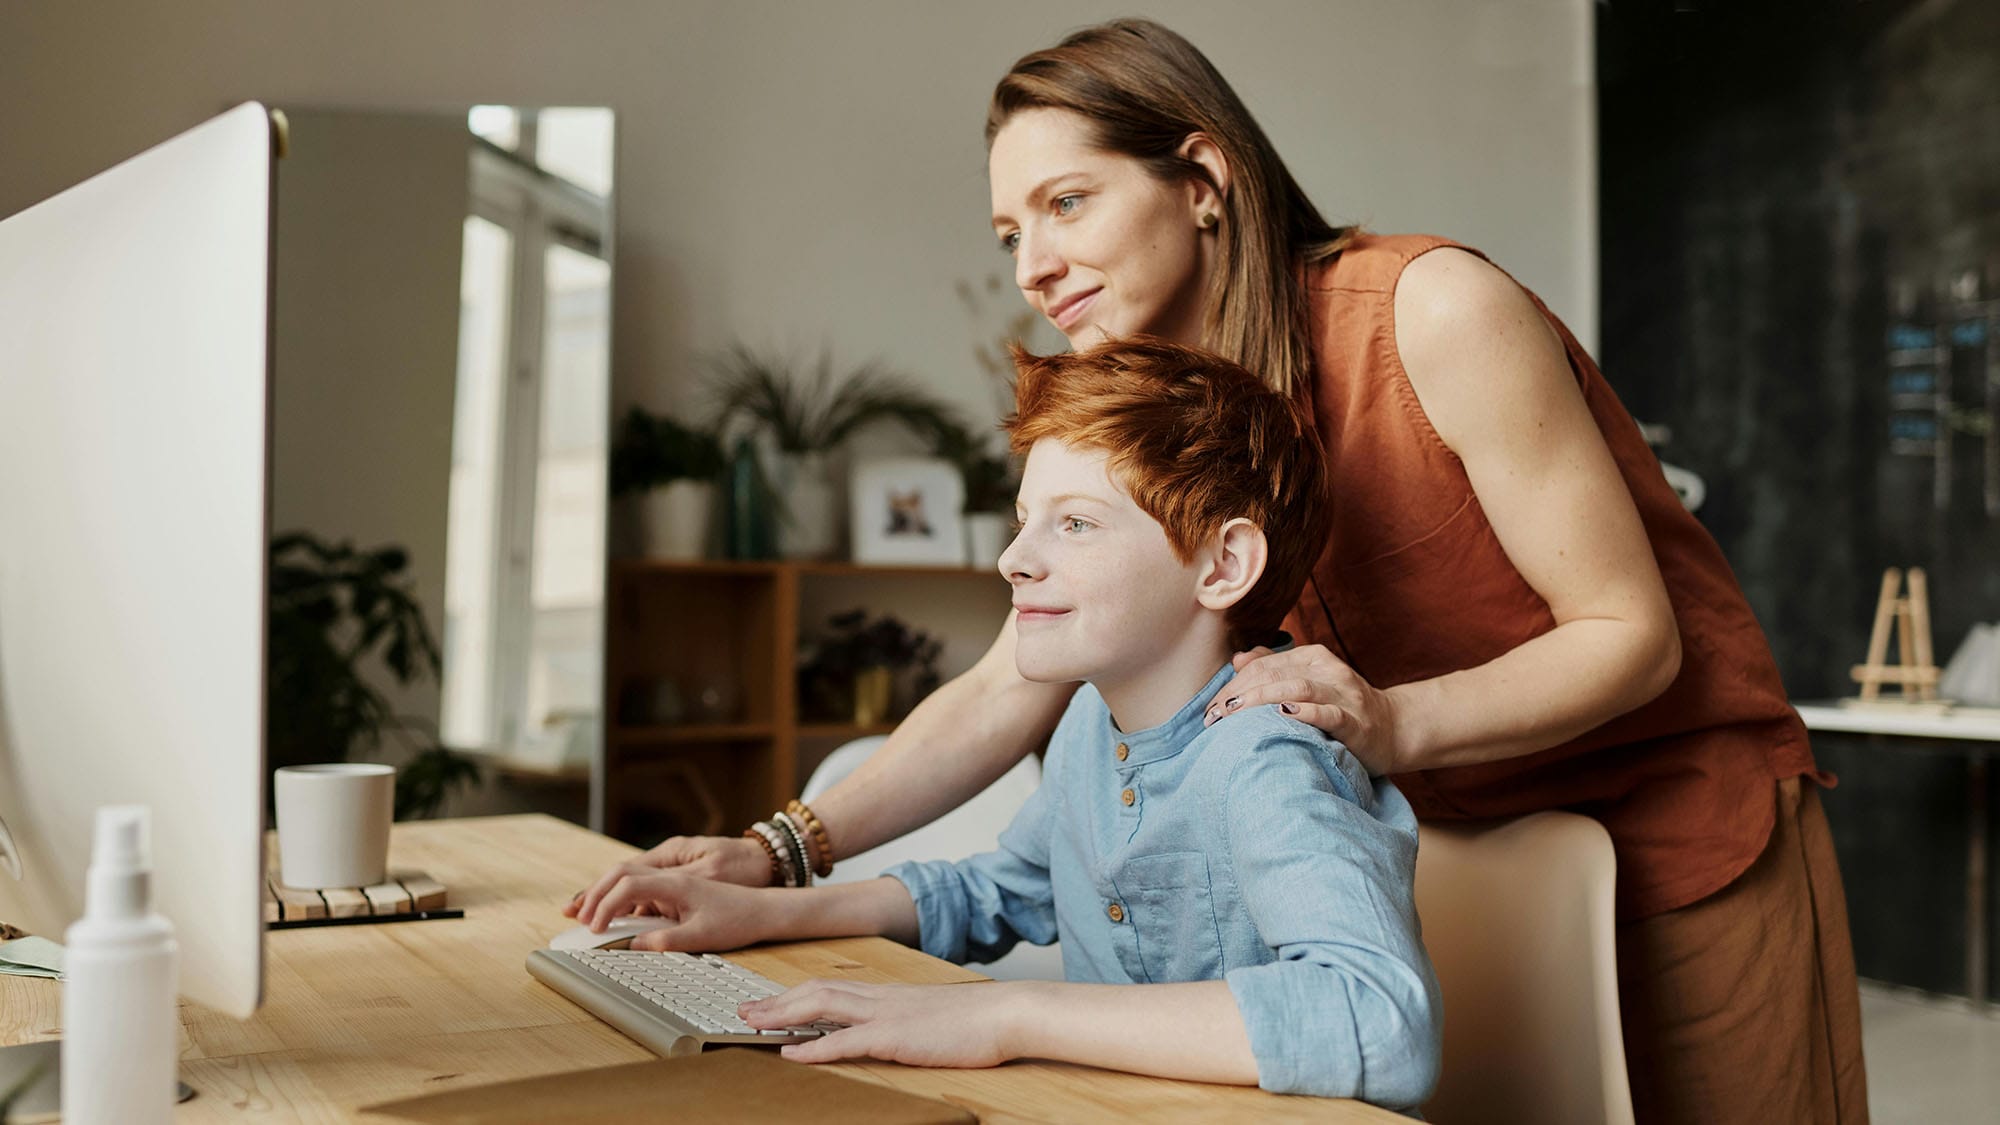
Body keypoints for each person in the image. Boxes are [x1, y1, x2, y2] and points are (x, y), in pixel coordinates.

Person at [572, 19, 1865, 1123]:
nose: (1032, 264)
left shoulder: (1432, 309)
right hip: (1450, 847)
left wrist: (1391, 718)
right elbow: (1008, 680)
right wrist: (776, 848)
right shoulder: (1175, 413)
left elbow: (1629, 633)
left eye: (1068, 203)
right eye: (1011, 228)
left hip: (1679, 831)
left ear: (1202, 176)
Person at [574, 340, 1442, 1109]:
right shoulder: (1088, 730)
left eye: (1074, 523)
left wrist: (1006, 1012)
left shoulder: (1269, 755)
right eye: (1027, 518)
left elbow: (1380, 1018)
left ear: (1222, 564)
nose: (1014, 557)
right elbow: (1002, 889)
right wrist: (759, 912)